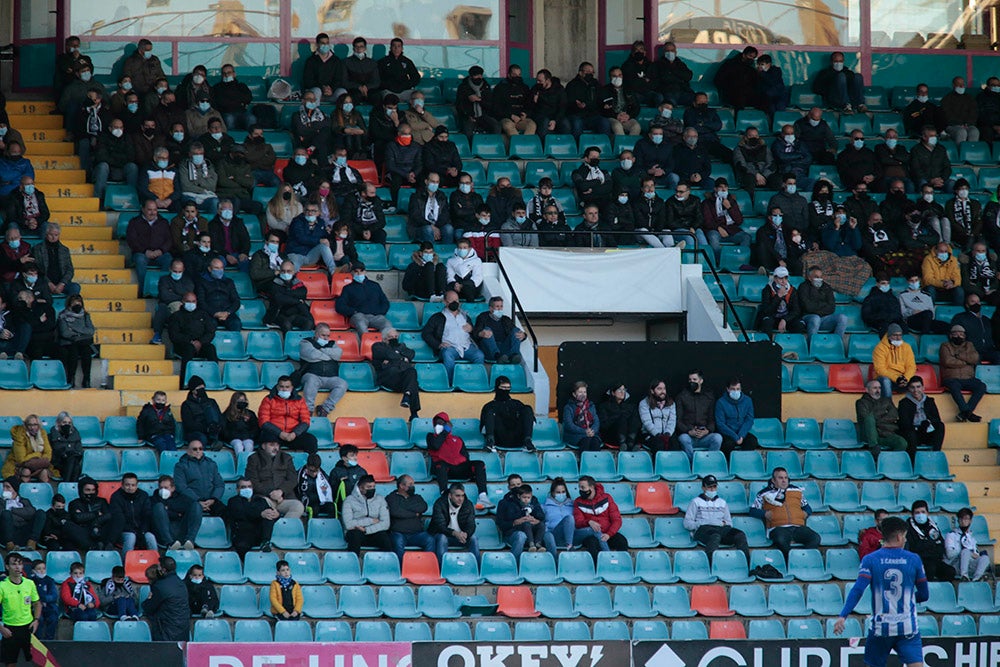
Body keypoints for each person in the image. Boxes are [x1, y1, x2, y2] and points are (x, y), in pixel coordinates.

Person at [833, 516, 928, 667]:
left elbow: (858, 589)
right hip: (907, 628)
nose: (905, 540)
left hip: (881, 628)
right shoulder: (913, 559)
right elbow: (924, 595)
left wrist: (843, 615)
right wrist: (907, 599)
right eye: (904, 536)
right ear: (899, 536)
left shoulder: (871, 559)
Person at [750, 467, 821, 558]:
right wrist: (764, 514)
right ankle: (792, 561)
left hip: (798, 527)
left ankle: (804, 559)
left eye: (786, 478)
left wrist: (805, 513)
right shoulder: (764, 493)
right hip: (778, 528)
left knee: (815, 538)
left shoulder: (797, 491)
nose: (784, 481)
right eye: (780, 478)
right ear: (773, 480)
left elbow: (807, 508)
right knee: (781, 540)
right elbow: (752, 511)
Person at [426, 412, 491, 506]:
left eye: (441, 423)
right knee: (440, 465)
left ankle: (483, 496)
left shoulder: (458, 439)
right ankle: (444, 495)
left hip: (460, 469)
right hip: (445, 471)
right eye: (436, 423)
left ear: (447, 424)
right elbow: (435, 446)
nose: (438, 425)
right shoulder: (430, 437)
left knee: (479, 464)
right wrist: (445, 432)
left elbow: (465, 456)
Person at [421, 290, 485, 383]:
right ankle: (451, 383)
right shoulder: (438, 317)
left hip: (466, 346)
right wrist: (438, 344)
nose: (455, 303)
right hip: (450, 347)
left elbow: (475, 334)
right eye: (452, 300)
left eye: (457, 300)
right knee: (447, 354)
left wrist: (472, 329)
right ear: (445, 302)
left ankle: (475, 382)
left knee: (479, 355)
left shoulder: (465, 316)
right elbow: (426, 333)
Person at [684, 474, 749, 564]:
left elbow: (729, 523)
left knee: (740, 535)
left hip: (720, 529)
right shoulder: (696, 502)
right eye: (709, 487)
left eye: (714, 486)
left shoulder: (722, 503)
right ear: (703, 488)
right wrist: (701, 523)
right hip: (703, 530)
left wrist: (721, 523)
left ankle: (746, 565)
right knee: (715, 536)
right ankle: (711, 565)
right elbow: (687, 523)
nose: (712, 489)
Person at [245, 440, 306, 520]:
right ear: (263, 446)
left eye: (277, 445)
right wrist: (271, 494)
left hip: (284, 498)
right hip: (264, 498)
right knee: (264, 509)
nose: (275, 448)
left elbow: (292, 479)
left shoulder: (286, 458)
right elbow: (253, 481)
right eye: (272, 445)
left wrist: (281, 491)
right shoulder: (253, 459)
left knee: (298, 506)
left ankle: (282, 529)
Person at [298, 322, 348, 418]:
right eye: (323, 335)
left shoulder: (332, 344)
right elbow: (312, 355)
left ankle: (325, 408)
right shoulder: (305, 342)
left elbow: (338, 355)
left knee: (342, 384)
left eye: (328, 336)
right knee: (311, 380)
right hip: (312, 374)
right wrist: (330, 355)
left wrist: (321, 350)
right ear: (316, 334)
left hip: (331, 377)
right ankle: (308, 409)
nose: (326, 338)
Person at [573, 476, 627, 563]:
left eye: (583, 487)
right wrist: (588, 522)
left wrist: (608, 534)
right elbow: (578, 522)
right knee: (592, 544)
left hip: (607, 533)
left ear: (592, 487)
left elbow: (617, 520)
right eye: (579, 487)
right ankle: (598, 569)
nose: (580, 490)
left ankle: (621, 566)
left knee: (622, 541)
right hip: (591, 535)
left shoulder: (607, 498)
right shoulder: (578, 502)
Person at [497, 483, 558, 560]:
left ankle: (555, 564)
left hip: (534, 533)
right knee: (521, 535)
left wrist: (536, 520)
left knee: (549, 535)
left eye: (518, 484)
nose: (516, 487)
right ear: (509, 487)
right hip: (514, 532)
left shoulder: (533, 501)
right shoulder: (504, 502)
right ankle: (513, 564)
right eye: (513, 485)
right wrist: (514, 522)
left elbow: (541, 516)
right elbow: (501, 524)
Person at [258, 377, 318, 455]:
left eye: (287, 387)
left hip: (293, 435)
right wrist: (280, 433)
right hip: (275, 434)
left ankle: (310, 465)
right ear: (277, 387)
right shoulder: (268, 399)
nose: (284, 389)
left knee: (311, 440)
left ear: (292, 388)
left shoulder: (299, 400)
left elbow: (305, 421)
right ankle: (268, 465)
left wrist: (294, 433)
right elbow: (264, 422)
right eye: (281, 386)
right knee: (266, 439)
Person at [371, 329, 421, 422]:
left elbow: (411, 353)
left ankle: (407, 396)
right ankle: (414, 413)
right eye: (391, 337)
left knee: (412, 372)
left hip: (402, 379)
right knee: (412, 383)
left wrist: (393, 360)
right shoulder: (378, 346)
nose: (394, 339)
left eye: (396, 337)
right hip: (388, 379)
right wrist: (402, 358)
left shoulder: (402, 346)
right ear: (385, 339)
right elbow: (388, 354)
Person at [938, 324, 985, 422]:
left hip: (968, 378)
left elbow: (975, 358)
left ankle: (965, 413)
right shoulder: (945, 346)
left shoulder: (969, 345)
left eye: (961, 334)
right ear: (951, 335)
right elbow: (947, 361)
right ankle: (967, 412)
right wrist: (966, 362)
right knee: (954, 386)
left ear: (965, 336)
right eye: (955, 334)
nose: (958, 336)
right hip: (951, 378)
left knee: (981, 386)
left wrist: (957, 356)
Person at [0, 552, 39, 666]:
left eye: (20, 564)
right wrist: (1, 628)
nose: (17, 567)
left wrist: (36, 620)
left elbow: (37, 603)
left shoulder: (29, 583)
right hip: (10, 629)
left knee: (35, 660)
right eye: (14, 564)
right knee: (11, 662)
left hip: (28, 628)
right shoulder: (2, 586)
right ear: (7, 567)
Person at [675, 370, 723, 461]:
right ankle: (693, 464)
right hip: (688, 435)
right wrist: (689, 431)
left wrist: (707, 431)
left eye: (694, 379)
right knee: (683, 438)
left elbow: (712, 419)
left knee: (717, 438)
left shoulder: (708, 397)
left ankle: (708, 463)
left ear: (701, 381)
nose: (692, 382)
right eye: (690, 380)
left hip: (704, 435)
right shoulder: (682, 397)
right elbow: (678, 420)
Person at [480, 375, 535, 453]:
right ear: (497, 387)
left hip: (517, 439)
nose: (505, 390)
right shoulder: (489, 406)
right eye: (503, 387)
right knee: (490, 412)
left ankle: (528, 442)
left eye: (508, 388)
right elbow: (483, 428)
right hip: (499, 439)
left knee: (527, 408)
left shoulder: (517, 404)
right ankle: (490, 442)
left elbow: (531, 421)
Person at [335, 263, 392, 338]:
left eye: (361, 271)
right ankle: (367, 345)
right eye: (356, 271)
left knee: (387, 325)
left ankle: (382, 346)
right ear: (352, 273)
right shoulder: (347, 288)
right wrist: (353, 312)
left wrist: (379, 312)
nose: (359, 274)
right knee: (361, 323)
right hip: (358, 316)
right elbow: (340, 305)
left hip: (376, 316)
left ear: (365, 272)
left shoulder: (375, 285)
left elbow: (385, 302)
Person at [702, 177, 750, 264]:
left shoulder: (732, 201)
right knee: (713, 238)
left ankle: (741, 262)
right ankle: (718, 263)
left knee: (746, 237)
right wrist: (718, 228)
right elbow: (707, 221)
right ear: (715, 189)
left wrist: (729, 208)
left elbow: (739, 221)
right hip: (715, 230)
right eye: (720, 187)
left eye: (725, 187)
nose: (723, 189)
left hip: (731, 230)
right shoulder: (707, 202)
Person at [386, 475, 434, 563]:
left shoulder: (417, 497)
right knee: (397, 542)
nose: (413, 486)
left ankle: (428, 566)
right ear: (401, 486)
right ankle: (401, 570)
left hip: (416, 534)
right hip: (399, 534)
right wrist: (414, 514)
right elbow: (395, 512)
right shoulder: (391, 498)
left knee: (429, 539)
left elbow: (423, 507)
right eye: (410, 484)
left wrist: (404, 509)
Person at [173, 439, 225, 519]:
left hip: (210, 501)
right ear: (188, 451)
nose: (198, 451)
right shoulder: (180, 466)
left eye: (200, 449)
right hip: (191, 501)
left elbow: (219, 485)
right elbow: (181, 487)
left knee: (226, 511)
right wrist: (197, 501)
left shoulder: (211, 464)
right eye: (195, 449)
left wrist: (213, 499)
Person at [429, 483, 479, 566]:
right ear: (450, 495)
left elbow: (471, 524)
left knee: (473, 538)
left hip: (461, 537)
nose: (461, 499)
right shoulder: (440, 504)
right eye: (457, 496)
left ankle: (477, 568)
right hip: (445, 535)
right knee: (442, 538)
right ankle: (442, 568)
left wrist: (466, 534)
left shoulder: (468, 504)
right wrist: (454, 533)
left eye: (462, 496)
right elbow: (440, 526)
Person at [342, 475, 393, 556]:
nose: (372, 489)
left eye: (373, 486)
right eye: (369, 487)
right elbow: (348, 524)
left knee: (384, 537)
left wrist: (366, 530)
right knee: (355, 535)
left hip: (373, 532)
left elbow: (385, 524)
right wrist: (371, 521)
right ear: (360, 488)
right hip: (356, 533)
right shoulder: (349, 500)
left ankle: (388, 564)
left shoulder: (380, 499)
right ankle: (353, 564)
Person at [226, 477, 277, 557]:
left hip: (259, 534)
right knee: (241, 547)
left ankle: (265, 542)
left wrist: (275, 514)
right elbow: (242, 513)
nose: (247, 489)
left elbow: (268, 512)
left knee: (268, 517)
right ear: (237, 489)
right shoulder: (233, 501)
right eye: (243, 487)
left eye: (249, 486)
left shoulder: (260, 500)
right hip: (243, 535)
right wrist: (260, 514)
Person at [126, 199, 173, 286]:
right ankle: (144, 288)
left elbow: (169, 240)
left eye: (155, 210)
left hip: (160, 254)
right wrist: (145, 251)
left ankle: (162, 286)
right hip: (142, 253)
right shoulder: (134, 222)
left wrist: (161, 251)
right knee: (140, 259)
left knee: (168, 259)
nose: (153, 212)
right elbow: (132, 240)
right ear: (143, 209)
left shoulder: (163, 222)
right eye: (149, 210)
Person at [143, 557, 190, 642]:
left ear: (163, 570)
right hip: (183, 628)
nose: (157, 568)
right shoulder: (180, 582)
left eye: (159, 567)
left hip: (167, 630)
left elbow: (149, 608)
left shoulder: (160, 587)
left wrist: (147, 600)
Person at [897, 376, 944, 460]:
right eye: (912, 387)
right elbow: (904, 423)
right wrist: (917, 427)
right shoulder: (904, 403)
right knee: (910, 433)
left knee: (940, 425)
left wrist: (928, 422)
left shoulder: (929, 401)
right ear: (909, 389)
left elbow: (936, 418)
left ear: (923, 388)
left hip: (926, 431)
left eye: (918, 387)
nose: (915, 390)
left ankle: (936, 455)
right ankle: (912, 461)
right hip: (913, 433)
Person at [906, 500, 955, 581]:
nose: (920, 515)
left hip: (934, 560)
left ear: (927, 513)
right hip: (918, 562)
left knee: (950, 571)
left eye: (923, 512)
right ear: (912, 514)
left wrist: (925, 545)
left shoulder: (933, 527)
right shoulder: (908, 528)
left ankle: (942, 591)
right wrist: (930, 544)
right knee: (929, 567)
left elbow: (940, 546)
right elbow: (914, 548)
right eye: (917, 513)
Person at [856, 380, 908, 455]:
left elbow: (894, 415)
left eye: (879, 388)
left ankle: (890, 462)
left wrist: (877, 420)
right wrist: (884, 414)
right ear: (867, 390)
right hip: (869, 436)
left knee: (901, 442)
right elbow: (865, 417)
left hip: (885, 432)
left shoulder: (886, 401)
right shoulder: (861, 402)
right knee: (869, 419)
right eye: (875, 388)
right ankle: (874, 447)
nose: (878, 390)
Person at [110, 473, 157, 554]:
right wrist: (133, 531)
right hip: (124, 531)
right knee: (131, 537)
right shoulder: (116, 497)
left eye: (133, 485)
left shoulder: (143, 495)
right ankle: (126, 563)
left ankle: (156, 562)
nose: (130, 488)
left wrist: (142, 531)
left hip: (142, 530)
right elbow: (118, 518)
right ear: (122, 485)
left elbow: (147, 515)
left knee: (150, 537)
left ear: (137, 485)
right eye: (127, 485)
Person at [151, 475, 201, 551]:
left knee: (197, 505)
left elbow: (192, 508)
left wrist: (167, 510)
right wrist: (177, 514)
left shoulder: (182, 498)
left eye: (166, 488)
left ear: (173, 488)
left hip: (181, 530)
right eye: (161, 488)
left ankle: (190, 540)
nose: (163, 490)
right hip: (163, 534)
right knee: (159, 507)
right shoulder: (153, 499)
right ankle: (170, 543)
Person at [263, 261, 314, 333]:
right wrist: (297, 300)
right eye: (283, 271)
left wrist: (286, 294)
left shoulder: (297, 283)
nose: (286, 273)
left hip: (295, 314)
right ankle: (290, 343)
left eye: (289, 271)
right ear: (280, 271)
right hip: (278, 314)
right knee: (286, 324)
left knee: (309, 323)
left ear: (293, 272)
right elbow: (279, 298)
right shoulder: (274, 283)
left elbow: (303, 293)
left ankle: (302, 342)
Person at [472, 296, 525, 364]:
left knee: (516, 330)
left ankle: (514, 355)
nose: (500, 309)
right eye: (497, 306)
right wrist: (481, 333)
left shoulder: (506, 319)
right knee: (487, 330)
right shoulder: (482, 317)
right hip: (489, 350)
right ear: (491, 308)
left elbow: (515, 333)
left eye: (501, 306)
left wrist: (524, 335)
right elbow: (475, 333)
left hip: (503, 349)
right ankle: (497, 356)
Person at [57, 294, 95, 388]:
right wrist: (81, 332)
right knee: (73, 352)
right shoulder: (63, 316)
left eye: (79, 303)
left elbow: (90, 331)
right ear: (69, 305)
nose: (77, 306)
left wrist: (74, 328)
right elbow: (65, 333)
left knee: (86, 352)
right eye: (74, 304)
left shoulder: (85, 315)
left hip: (82, 342)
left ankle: (86, 379)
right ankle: (71, 378)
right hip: (69, 342)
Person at [798, 266, 848, 337]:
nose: (819, 279)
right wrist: (823, 305)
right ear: (809, 278)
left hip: (824, 319)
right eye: (816, 277)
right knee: (816, 318)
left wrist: (816, 308)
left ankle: (835, 344)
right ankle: (812, 345)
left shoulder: (826, 287)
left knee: (843, 318)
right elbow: (807, 307)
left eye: (820, 277)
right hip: (808, 318)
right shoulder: (803, 287)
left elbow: (831, 307)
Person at [286, 203, 336, 273]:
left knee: (324, 246)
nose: (310, 213)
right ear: (303, 211)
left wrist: (330, 234)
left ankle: (333, 271)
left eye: (313, 211)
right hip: (296, 253)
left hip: (310, 254)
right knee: (293, 272)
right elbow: (301, 238)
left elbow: (325, 237)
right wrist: (319, 240)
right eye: (307, 210)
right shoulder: (297, 221)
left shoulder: (321, 222)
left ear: (318, 213)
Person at [33, 223, 79, 299]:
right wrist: (49, 283)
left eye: (56, 235)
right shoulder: (37, 249)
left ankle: (70, 309)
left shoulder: (64, 250)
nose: (53, 237)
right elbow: (37, 268)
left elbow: (70, 269)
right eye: (51, 234)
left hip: (61, 283)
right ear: (46, 234)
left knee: (75, 287)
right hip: (44, 283)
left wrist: (62, 283)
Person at [2, 415, 53, 482]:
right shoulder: (19, 435)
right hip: (18, 466)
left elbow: (48, 453)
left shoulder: (42, 433)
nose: (32, 428)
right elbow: (21, 459)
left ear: (39, 425)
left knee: (44, 472)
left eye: (35, 425)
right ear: (25, 426)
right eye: (30, 425)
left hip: (37, 464)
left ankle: (44, 491)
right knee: (26, 471)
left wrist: (38, 461)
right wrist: (37, 455)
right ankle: (24, 491)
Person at [715, 378, 758, 456]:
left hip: (742, 432)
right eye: (733, 389)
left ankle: (744, 462)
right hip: (727, 433)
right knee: (728, 444)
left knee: (752, 441)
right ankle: (729, 464)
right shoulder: (721, 402)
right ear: (728, 389)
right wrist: (735, 437)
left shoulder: (747, 401)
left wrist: (741, 435)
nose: (736, 391)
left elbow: (749, 419)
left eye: (738, 389)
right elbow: (720, 424)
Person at [945, 507, 990, 581]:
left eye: (966, 519)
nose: (963, 521)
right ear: (958, 520)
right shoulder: (951, 535)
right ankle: (964, 576)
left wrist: (971, 554)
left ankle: (977, 578)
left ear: (970, 521)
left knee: (985, 558)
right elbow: (950, 555)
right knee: (965, 551)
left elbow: (976, 555)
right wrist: (966, 553)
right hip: (956, 565)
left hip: (970, 565)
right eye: (961, 519)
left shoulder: (971, 538)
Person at [756, 266, 803, 336]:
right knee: (767, 322)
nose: (783, 281)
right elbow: (766, 311)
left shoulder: (792, 291)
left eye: (786, 278)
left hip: (786, 319)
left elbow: (796, 311)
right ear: (775, 278)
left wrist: (785, 319)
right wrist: (778, 297)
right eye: (781, 278)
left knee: (799, 324)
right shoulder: (767, 290)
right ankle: (769, 344)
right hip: (772, 317)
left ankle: (792, 345)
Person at [0, 478, 45, 552]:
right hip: (8, 533)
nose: (5, 489)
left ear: (14, 489)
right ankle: (10, 545)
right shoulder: (1, 502)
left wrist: (12, 509)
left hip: (24, 532)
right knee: (6, 514)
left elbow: (31, 512)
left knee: (40, 513)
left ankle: (32, 542)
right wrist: (23, 516)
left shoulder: (24, 501)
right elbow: (2, 514)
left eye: (8, 487)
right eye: (4, 487)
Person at [872, 323, 917, 397]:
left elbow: (911, 366)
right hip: (887, 378)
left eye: (900, 335)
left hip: (903, 378)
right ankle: (888, 405)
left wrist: (906, 378)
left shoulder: (906, 347)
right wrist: (896, 378)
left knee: (917, 381)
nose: (898, 338)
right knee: (885, 381)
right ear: (889, 336)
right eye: (895, 335)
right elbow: (880, 369)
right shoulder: (880, 348)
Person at [953, 293, 1000, 362]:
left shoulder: (986, 319)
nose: (976, 304)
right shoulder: (960, 318)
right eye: (973, 301)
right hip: (972, 351)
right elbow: (955, 335)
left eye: (978, 301)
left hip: (989, 350)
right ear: (967, 305)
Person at [180, 375, 222, 448]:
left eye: (203, 387)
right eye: (199, 388)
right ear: (193, 390)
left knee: (210, 410)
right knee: (201, 438)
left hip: (213, 430)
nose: (201, 389)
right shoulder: (186, 404)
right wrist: (206, 429)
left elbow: (219, 416)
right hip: (196, 432)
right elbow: (189, 424)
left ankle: (214, 439)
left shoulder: (211, 401)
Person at [733, 126, 778, 193]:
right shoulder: (739, 149)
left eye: (756, 135)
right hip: (748, 174)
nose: (754, 138)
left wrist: (763, 175)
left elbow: (771, 163)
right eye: (750, 135)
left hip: (765, 174)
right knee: (750, 180)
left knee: (777, 180)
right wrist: (756, 174)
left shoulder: (765, 148)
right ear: (745, 137)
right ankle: (751, 201)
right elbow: (741, 165)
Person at [597, 382, 639, 451]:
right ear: (613, 393)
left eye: (624, 390)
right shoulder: (604, 406)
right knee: (622, 419)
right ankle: (623, 443)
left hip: (629, 436)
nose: (622, 392)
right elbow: (603, 425)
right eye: (619, 390)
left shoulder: (630, 407)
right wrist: (617, 417)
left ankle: (630, 443)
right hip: (612, 435)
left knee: (633, 419)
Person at [909, 126, 952, 192]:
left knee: (951, 184)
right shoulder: (916, 150)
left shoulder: (941, 149)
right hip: (924, 179)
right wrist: (930, 180)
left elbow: (947, 167)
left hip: (940, 180)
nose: (934, 138)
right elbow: (915, 169)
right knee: (923, 183)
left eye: (935, 136)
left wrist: (942, 179)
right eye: (931, 136)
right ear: (924, 137)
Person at [562, 381, 602, 451]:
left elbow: (596, 421)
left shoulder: (591, 406)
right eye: (580, 392)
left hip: (591, 434)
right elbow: (569, 425)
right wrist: (584, 431)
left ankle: (595, 462)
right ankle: (584, 461)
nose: (583, 394)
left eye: (584, 392)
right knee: (586, 441)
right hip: (574, 435)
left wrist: (593, 431)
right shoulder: (569, 407)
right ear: (574, 394)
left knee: (595, 441)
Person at [637, 379, 676, 453]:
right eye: (659, 389)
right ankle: (658, 464)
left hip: (667, 434)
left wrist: (668, 434)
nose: (663, 391)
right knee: (659, 445)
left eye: (664, 388)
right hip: (650, 434)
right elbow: (647, 422)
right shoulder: (644, 403)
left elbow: (672, 420)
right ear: (652, 391)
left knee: (675, 445)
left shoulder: (671, 403)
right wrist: (658, 435)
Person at [329, 444, 367, 516]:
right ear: (344, 458)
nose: (355, 458)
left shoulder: (361, 472)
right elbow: (331, 492)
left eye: (356, 455)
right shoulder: (336, 472)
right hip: (342, 505)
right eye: (352, 455)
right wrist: (340, 483)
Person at [940, 76, 979, 145]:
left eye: (963, 84)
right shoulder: (947, 99)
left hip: (968, 125)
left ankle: (971, 152)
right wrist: (960, 123)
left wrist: (968, 123)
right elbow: (947, 115)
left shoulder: (969, 98)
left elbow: (974, 112)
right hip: (952, 125)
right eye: (959, 84)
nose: (961, 86)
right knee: (961, 132)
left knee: (974, 131)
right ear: (953, 85)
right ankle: (960, 153)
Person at [297, 453, 335, 518]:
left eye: (316, 471)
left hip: (321, 500)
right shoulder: (299, 475)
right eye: (311, 471)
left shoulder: (322, 474)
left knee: (331, 507)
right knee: (315, 509)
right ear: (307, 466)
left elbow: (329, 486)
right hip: (308, 501)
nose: (314, 473)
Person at [49, 412, 83, 484]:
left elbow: (79, 451)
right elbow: (56, 451)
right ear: (58, 423)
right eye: (64, 422)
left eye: (69, 423)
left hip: (73, 462)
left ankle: (66, 484)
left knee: (74, 461)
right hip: (58, 464)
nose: (67, 425)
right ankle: (72, 487)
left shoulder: (75, 435)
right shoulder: (52, 436)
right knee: (73, 461)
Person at [28, 559, 58, 641]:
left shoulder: (50, 580)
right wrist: (39, 601)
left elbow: (54, 595)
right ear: (33, 571)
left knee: (53, 617)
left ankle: (49, 639)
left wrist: (45, 599)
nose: (42, 571)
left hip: (48, 606)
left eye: (43, 568)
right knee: (39, 619)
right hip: (35, 606)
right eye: (39, 569)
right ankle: (39, 640)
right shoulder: (30, 581)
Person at [222, 391, 258, 456]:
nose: (242, 402)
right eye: (239, 400)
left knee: (249, 445)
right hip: (233, 438)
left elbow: (255, 428)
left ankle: (246, 464)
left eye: (244, 400)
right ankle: (241, 463)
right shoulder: (227, 414)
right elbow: (224, 429)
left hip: (247, 437)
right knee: (238, 445)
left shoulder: (250, 414)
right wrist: (232, 436)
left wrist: (249, 436)